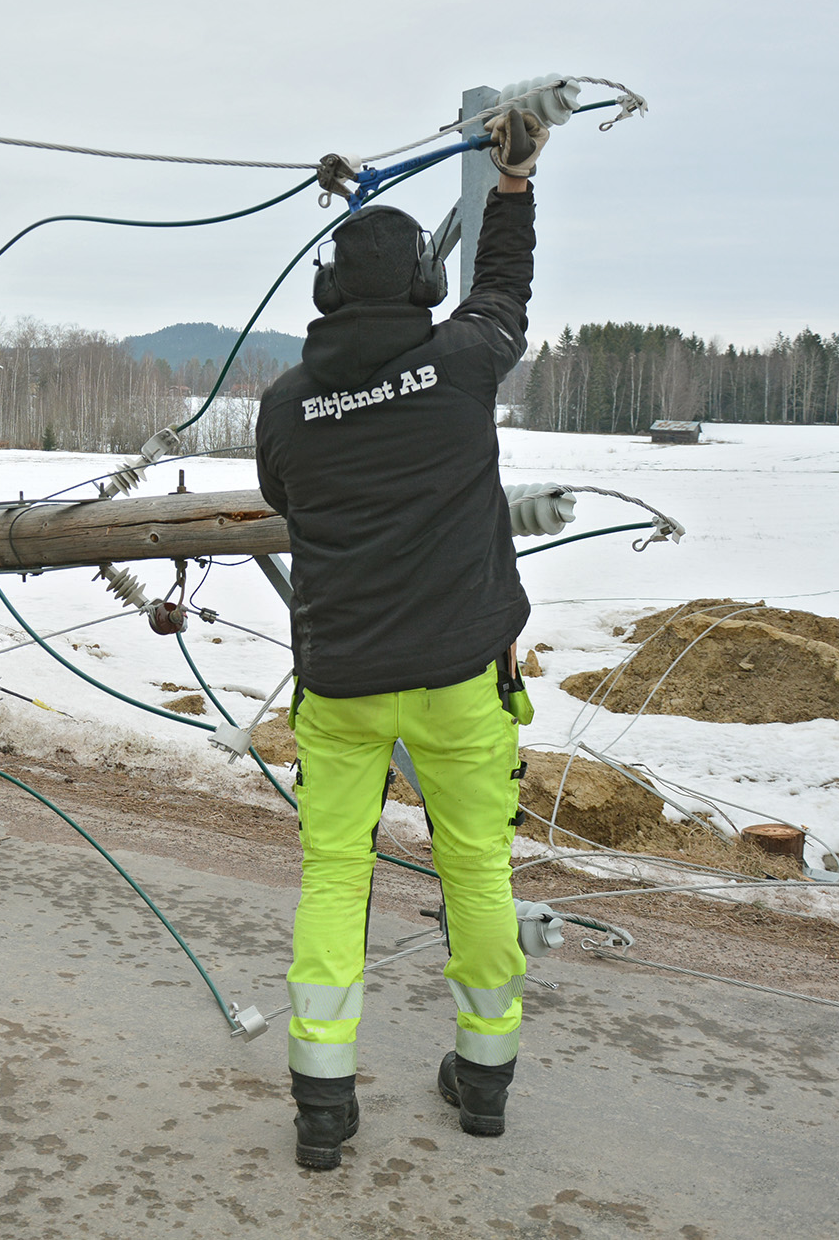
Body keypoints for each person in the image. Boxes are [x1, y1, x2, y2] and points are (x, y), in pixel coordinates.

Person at [254, 108, 548, 1168]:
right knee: (477, 870)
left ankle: (322, 1100)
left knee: (335, 875)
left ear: (327, 294)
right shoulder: (462, 362)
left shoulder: (286, 405)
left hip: (340, 685)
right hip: (460, 679)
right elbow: (502, 291)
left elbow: (280, 496)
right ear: (424, 284)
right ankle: (484, 1076)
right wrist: (511, 185)